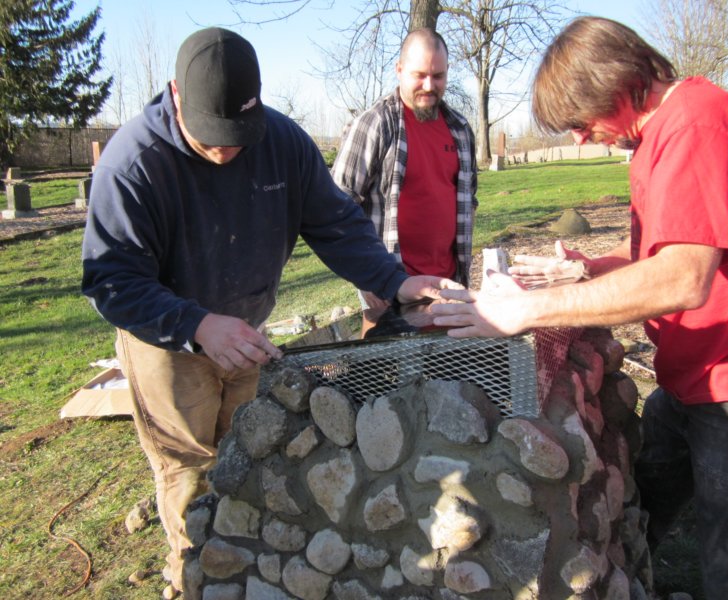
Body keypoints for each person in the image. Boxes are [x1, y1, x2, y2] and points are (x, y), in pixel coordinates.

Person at [431, 16, 728, 600]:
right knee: (644, 504)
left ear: (619, 82)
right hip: (691, 381)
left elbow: (683, 276)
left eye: (581, 121)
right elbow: (670, 243)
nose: (579, 138)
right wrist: (586, 269)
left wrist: (528, 312)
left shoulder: (698, 125)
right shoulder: (661, 135)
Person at [81, 27, 457, 597]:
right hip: (166, 341)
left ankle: (244, 564)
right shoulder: (133, 165)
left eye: (239, 135)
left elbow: (337, 226)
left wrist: (395, 281)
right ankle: (194, 574)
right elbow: (110, 279)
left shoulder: (281, 143)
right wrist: (197, 325)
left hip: (246, 329)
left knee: (247, 450)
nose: (227, 149)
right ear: (175, 95)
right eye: (212, 137)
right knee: (189, 468)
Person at [331, 27, 478, 330]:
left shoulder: (460, 130)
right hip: (388, 293)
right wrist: (367, 278)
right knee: (384, 377)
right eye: (419, 74)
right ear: (399, 70)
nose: (429, 85)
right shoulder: (374, 124)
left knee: (448, 375)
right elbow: (335, 207)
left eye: (438, 76)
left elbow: (467, 201)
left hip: (446, 287)